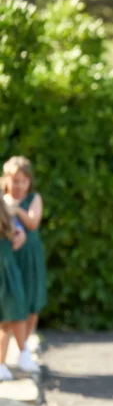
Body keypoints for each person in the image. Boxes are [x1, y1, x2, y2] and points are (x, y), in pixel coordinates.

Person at [2, 156, 46, 368]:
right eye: (14, 180)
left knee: (30, 301)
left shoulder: (33, 198)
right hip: (8, 259)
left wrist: (16, 210)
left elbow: (32, 222)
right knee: (11, 305)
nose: (18, 185)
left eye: (23, 181)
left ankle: (23, 348)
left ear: (29, 181)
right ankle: (12, 349)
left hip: (28, 257)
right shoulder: (3, 200)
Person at [0, 199, 37, 380]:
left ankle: (16, 357)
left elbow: (19, 235)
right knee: (6, 322)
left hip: (6, 271)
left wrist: (18, 231)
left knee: (10, 319)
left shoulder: (7, 216)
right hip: (6, 271)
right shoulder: (7, 216)